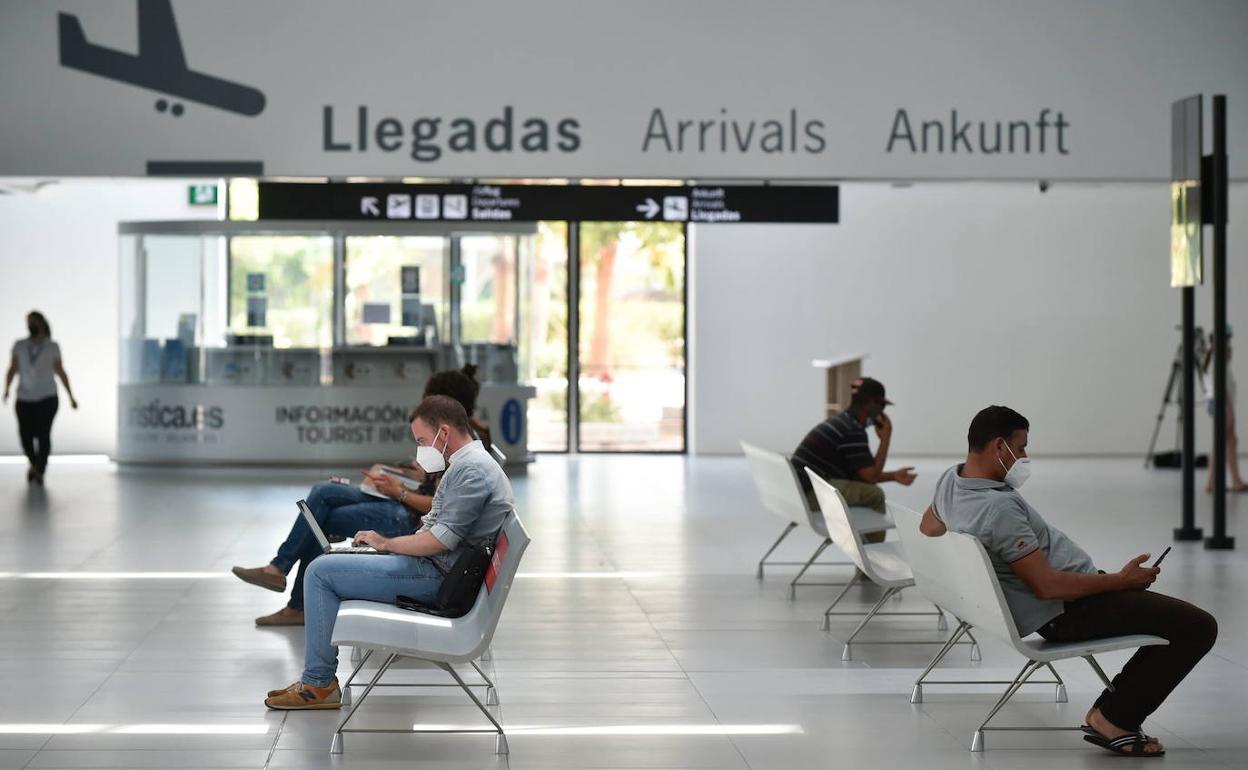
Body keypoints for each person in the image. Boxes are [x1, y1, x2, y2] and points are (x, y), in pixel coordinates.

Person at [920, 405, 1217, 757]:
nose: (1024, 457)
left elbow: (929, 527)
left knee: (1168, 617)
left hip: (1069, 597)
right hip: (1066, 610)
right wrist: (1122, 581)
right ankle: (1114, 718)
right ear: (999, 447)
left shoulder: (952, 480)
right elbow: (1048, 587)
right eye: (1021, 447)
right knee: (1197, 626)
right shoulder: (998, 510)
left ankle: (1111, 711)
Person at [264, 394, 513, 710]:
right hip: (436, 567)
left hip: (437, 576)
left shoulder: (472, 470)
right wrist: (382, 548)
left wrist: (386, 543)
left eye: (423, 440)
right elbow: (436, 529)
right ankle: (318, 680)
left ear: (445, 433)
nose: (421, 449)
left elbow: (441, 540)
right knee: (330, 562)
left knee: (319, 572)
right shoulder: (465, 465)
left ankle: (319, 684)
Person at [233, 365, 493, 627]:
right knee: (324, 492)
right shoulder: (458, 439)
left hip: (410, 516)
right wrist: (396, 475)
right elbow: (434, 486)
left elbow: (439, 508)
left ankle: (291, 592)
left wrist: (399, 492)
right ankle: (280, 571)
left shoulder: (464, 447)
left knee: (325, 517)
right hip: (408, 502)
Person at [791, 377, 915, 526]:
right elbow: (871, 477)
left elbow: (862, 475)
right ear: (871, 404)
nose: (882, 412)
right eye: (882, 405)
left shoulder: (842, 422)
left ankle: (861, 540)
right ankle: (870, 548)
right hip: (807, 496)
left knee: (864, 489)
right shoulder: (852, 430)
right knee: (874, 495)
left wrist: (894, 476)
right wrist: (885, 438)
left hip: (795, 492)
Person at [3, 311, 78, 485]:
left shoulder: (52, 346)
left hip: (47, 397)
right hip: (24, 397)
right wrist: (6, 389)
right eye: (28, 322)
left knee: (43, 434)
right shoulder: (20, 345)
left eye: (33, 322)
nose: (30, 325)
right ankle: (34, 463)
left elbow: (60, 371)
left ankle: (40, 470)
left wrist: (71, 396)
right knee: (25, 435)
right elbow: (12, 369)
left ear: (42, 324)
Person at [1202, 327, 1245, 493]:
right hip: (1222, 402)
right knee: (1221, 440)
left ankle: (1235, 479)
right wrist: (1226, 405)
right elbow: (1217, 385)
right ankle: (1211, 482)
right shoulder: (1215, 358)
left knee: (1231, 440)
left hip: (1225, 401)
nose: (1229, 342)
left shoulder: (1219, 357)